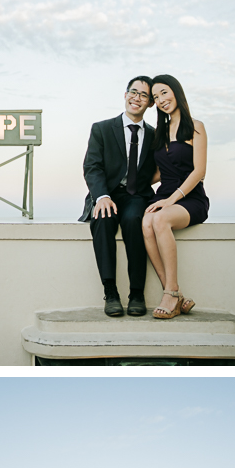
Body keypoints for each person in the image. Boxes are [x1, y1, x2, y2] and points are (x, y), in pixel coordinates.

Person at [79, 77, 159, 317]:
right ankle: (110, 292)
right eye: (133, 92)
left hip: (136, 195)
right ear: (125, 95)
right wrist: (101, 195)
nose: (137, 98)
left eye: (144, 95)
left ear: (150, 103)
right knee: (102, 220)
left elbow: (159, 169)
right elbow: (92, 166)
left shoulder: (155, 136)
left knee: (135, 220)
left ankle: (137, 293)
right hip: (108, 194)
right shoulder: (102, 128)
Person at [143, 74, 209, 319]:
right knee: (146, 222)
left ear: (176, 92)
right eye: (156, 97)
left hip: (190, 198)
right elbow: (160, 172)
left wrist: (171, 200)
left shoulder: (195, 126)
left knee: (159, 219)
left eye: (164, 92)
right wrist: (123, 180)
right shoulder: (160, 132)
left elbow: (199, 171)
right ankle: (173, 294)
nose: (160, 100)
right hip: (164, 196)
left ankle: (170, 292)